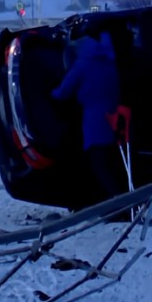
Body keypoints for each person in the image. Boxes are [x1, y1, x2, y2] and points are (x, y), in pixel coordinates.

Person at [52, 32, 127, 208]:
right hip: (116, 117)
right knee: (114, 162)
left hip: (95, 119)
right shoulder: (111, 62)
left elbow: (63, 92)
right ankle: (123, 200)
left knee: (99, 163)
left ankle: (116, 204)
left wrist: (49, 93)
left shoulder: (83, 65)